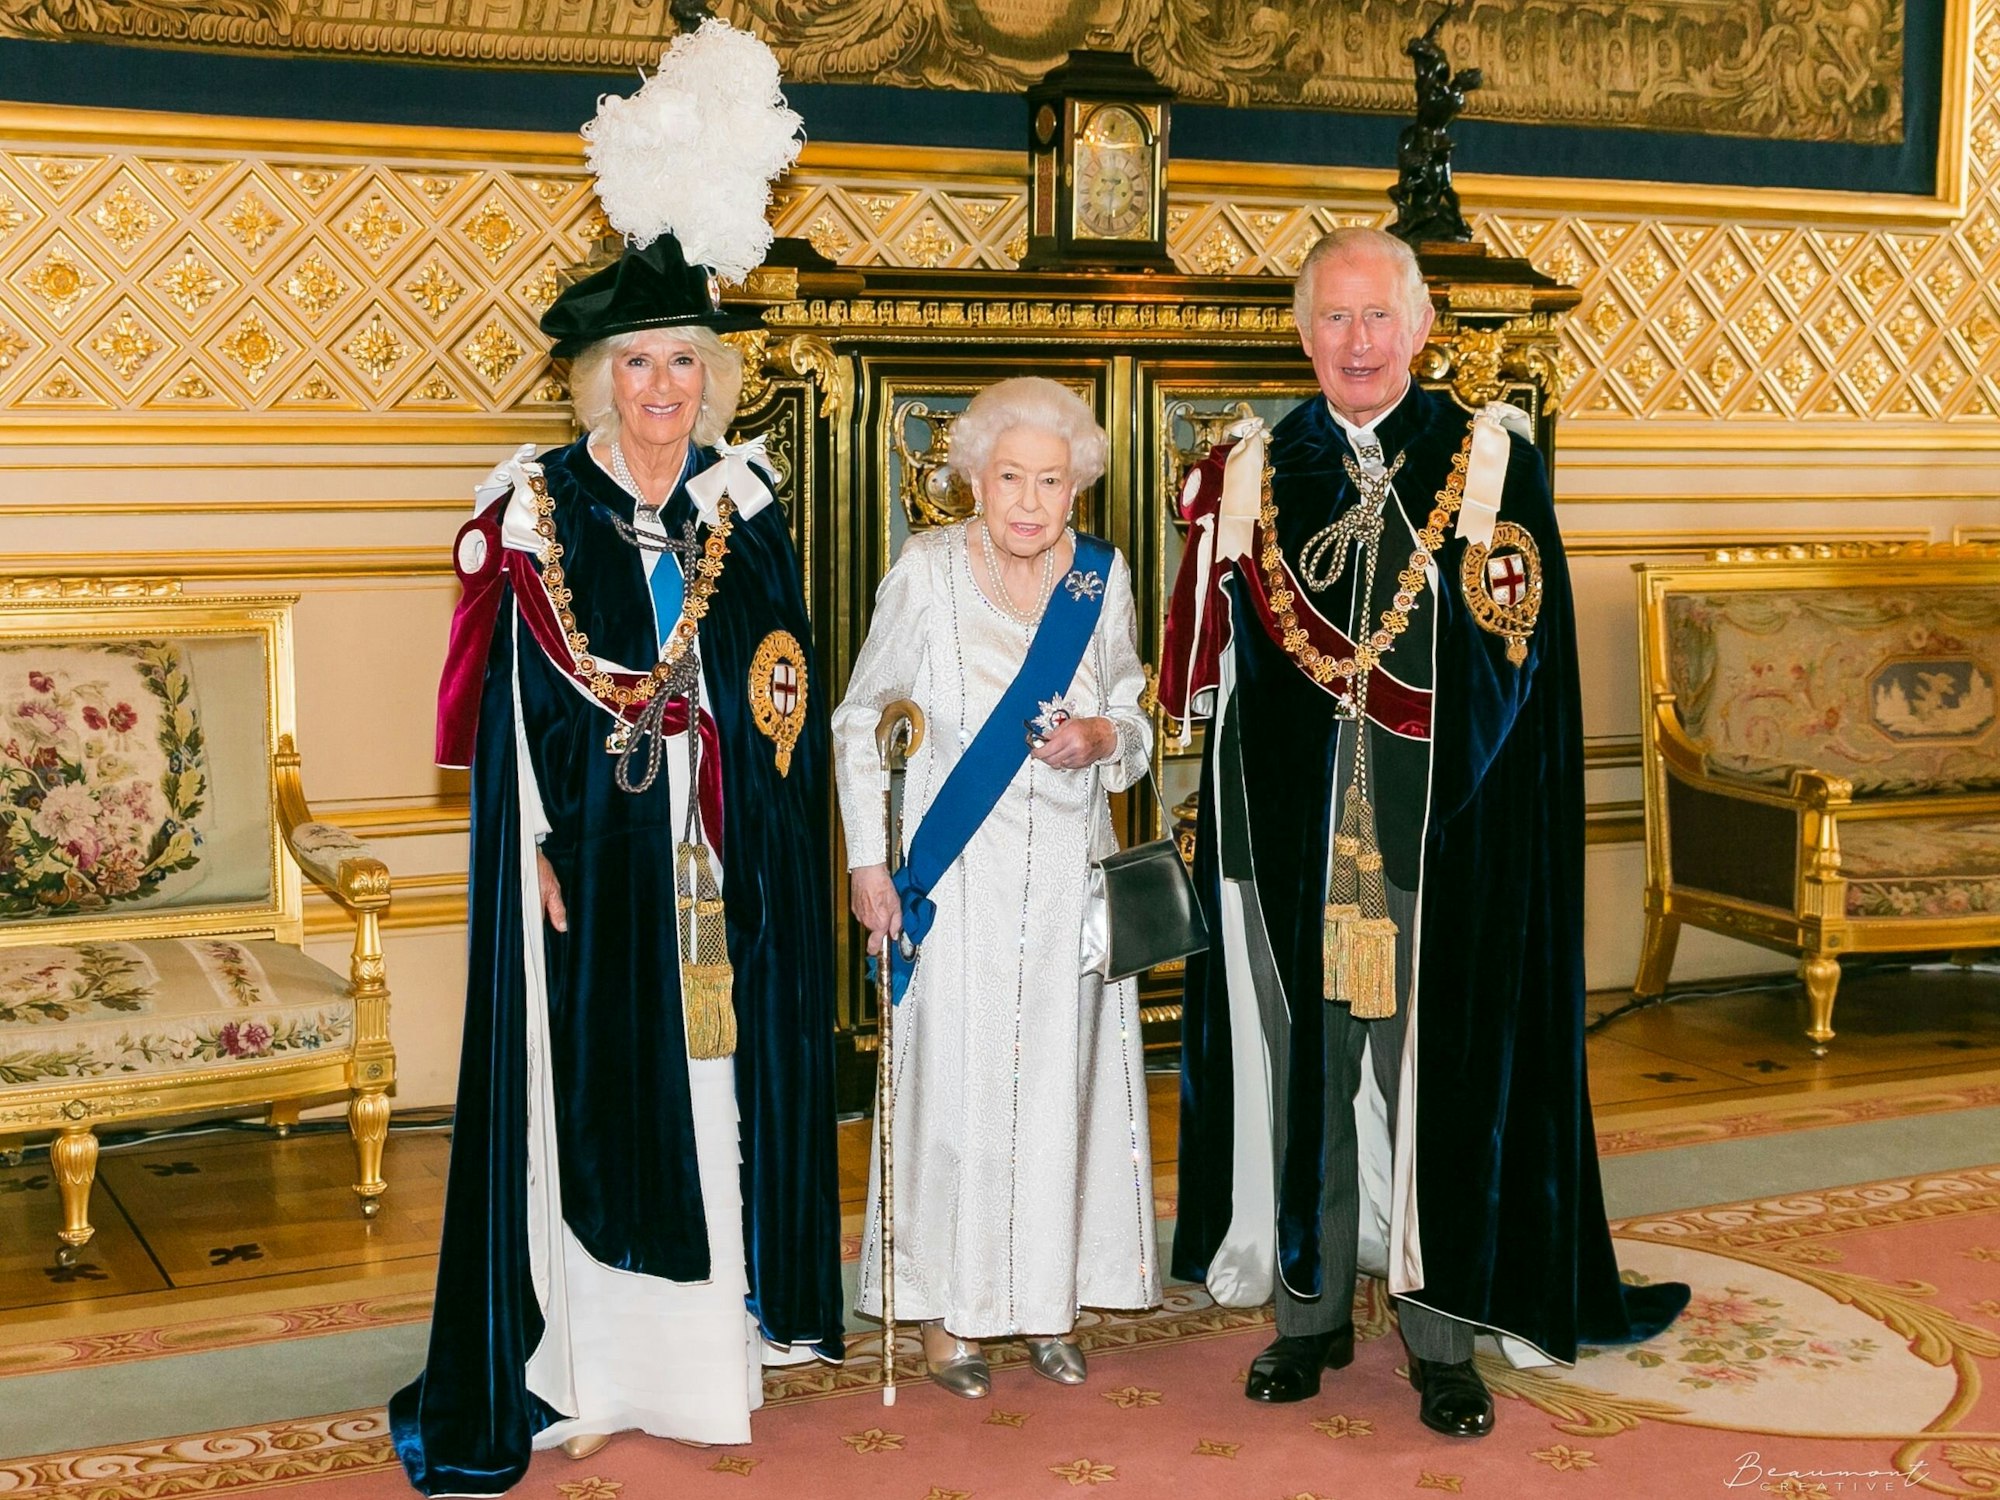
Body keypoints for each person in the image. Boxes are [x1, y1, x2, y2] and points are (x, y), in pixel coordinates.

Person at [391, 24, 843, 1494]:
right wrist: (523, 843)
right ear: (598, 377)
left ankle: (709, 1361)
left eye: (682, 363)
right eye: (636, 362)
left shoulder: (744, 509)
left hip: (716, 862)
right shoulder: (532, 509)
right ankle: (586, 1361)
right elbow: (494, 698)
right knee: (593, 1097)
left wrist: (764, 813)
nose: (660, 387)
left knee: (711, 1088)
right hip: (588, 858)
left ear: (714, 379)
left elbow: (787, 682)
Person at [1163, 226, 1686, 1438]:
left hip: (1439, 847)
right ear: (1302, 336)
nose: (1354, 342)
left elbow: (1523, 664)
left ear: (1419, 326)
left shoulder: (1485, 460)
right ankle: (1307, 1322)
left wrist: (1459, 829)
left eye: (1375, 317)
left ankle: (1440, 1333)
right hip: (1297, 843)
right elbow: (1233, 679)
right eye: (1332, 320)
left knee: (1434, 1088)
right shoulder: (1253, 468)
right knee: (1306, 1084)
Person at [833, 377, 1162, 1399]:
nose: (1028, 500)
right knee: (953, 1098)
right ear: (972, 479)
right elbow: (856, 722)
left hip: (1068, 886)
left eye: (1050, 482)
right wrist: (864, 861)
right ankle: (945, 1316)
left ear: (1078, 489)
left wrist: (1103, 735)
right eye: (1009, 476)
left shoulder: (1098, 583)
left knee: (1060, 1092)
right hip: (956, 884)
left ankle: (1046, 1304)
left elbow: (1134, 717)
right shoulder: (926, 575)